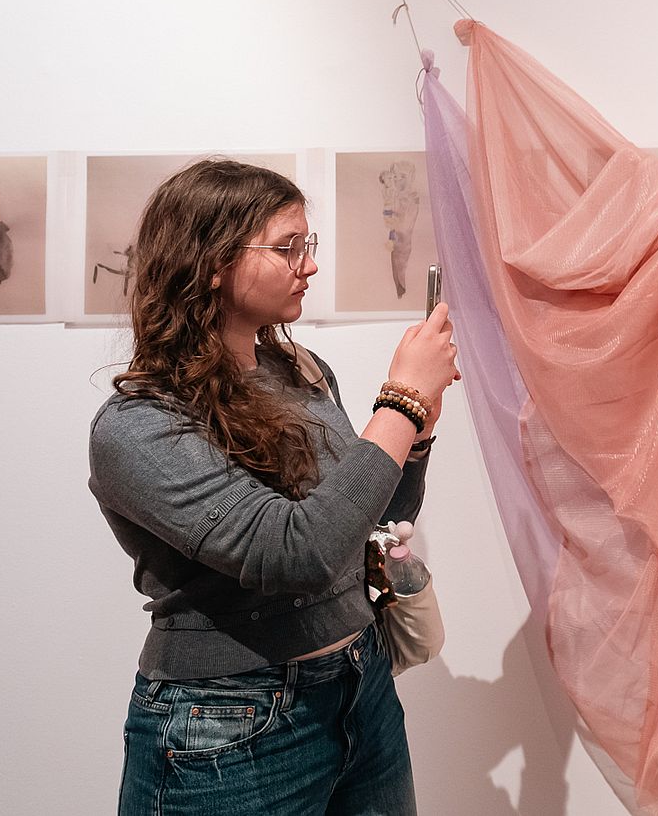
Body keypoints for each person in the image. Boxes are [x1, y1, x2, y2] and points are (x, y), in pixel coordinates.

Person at [88, 159, 459, 815]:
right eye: (288, 248)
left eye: (306, 245)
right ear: (211, 263)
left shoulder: (301, 370)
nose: (308, 265)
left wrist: (417, 431)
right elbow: (297, 555)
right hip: (230, 722)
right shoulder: (139, 425)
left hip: (360, 687)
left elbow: (371, 520)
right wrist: (400, 401)